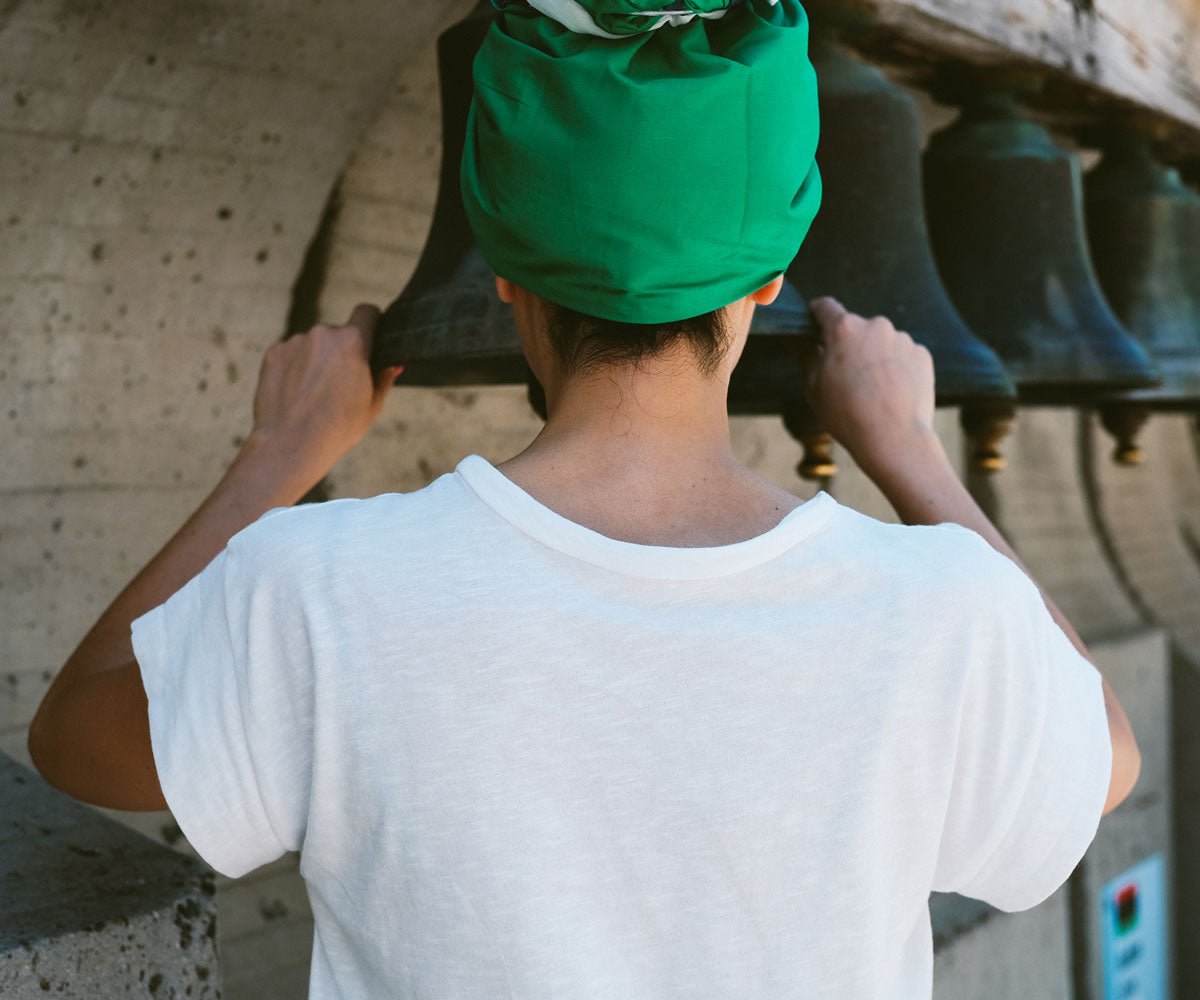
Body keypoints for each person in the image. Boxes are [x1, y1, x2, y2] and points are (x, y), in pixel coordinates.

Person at [29, 1, 1139, 997]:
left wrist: (275, 455)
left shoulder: (319, 586)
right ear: (769, 276)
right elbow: (1107, 754)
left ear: (503, 267)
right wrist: (914, 456)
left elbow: (73, 738)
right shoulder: (942, 608)